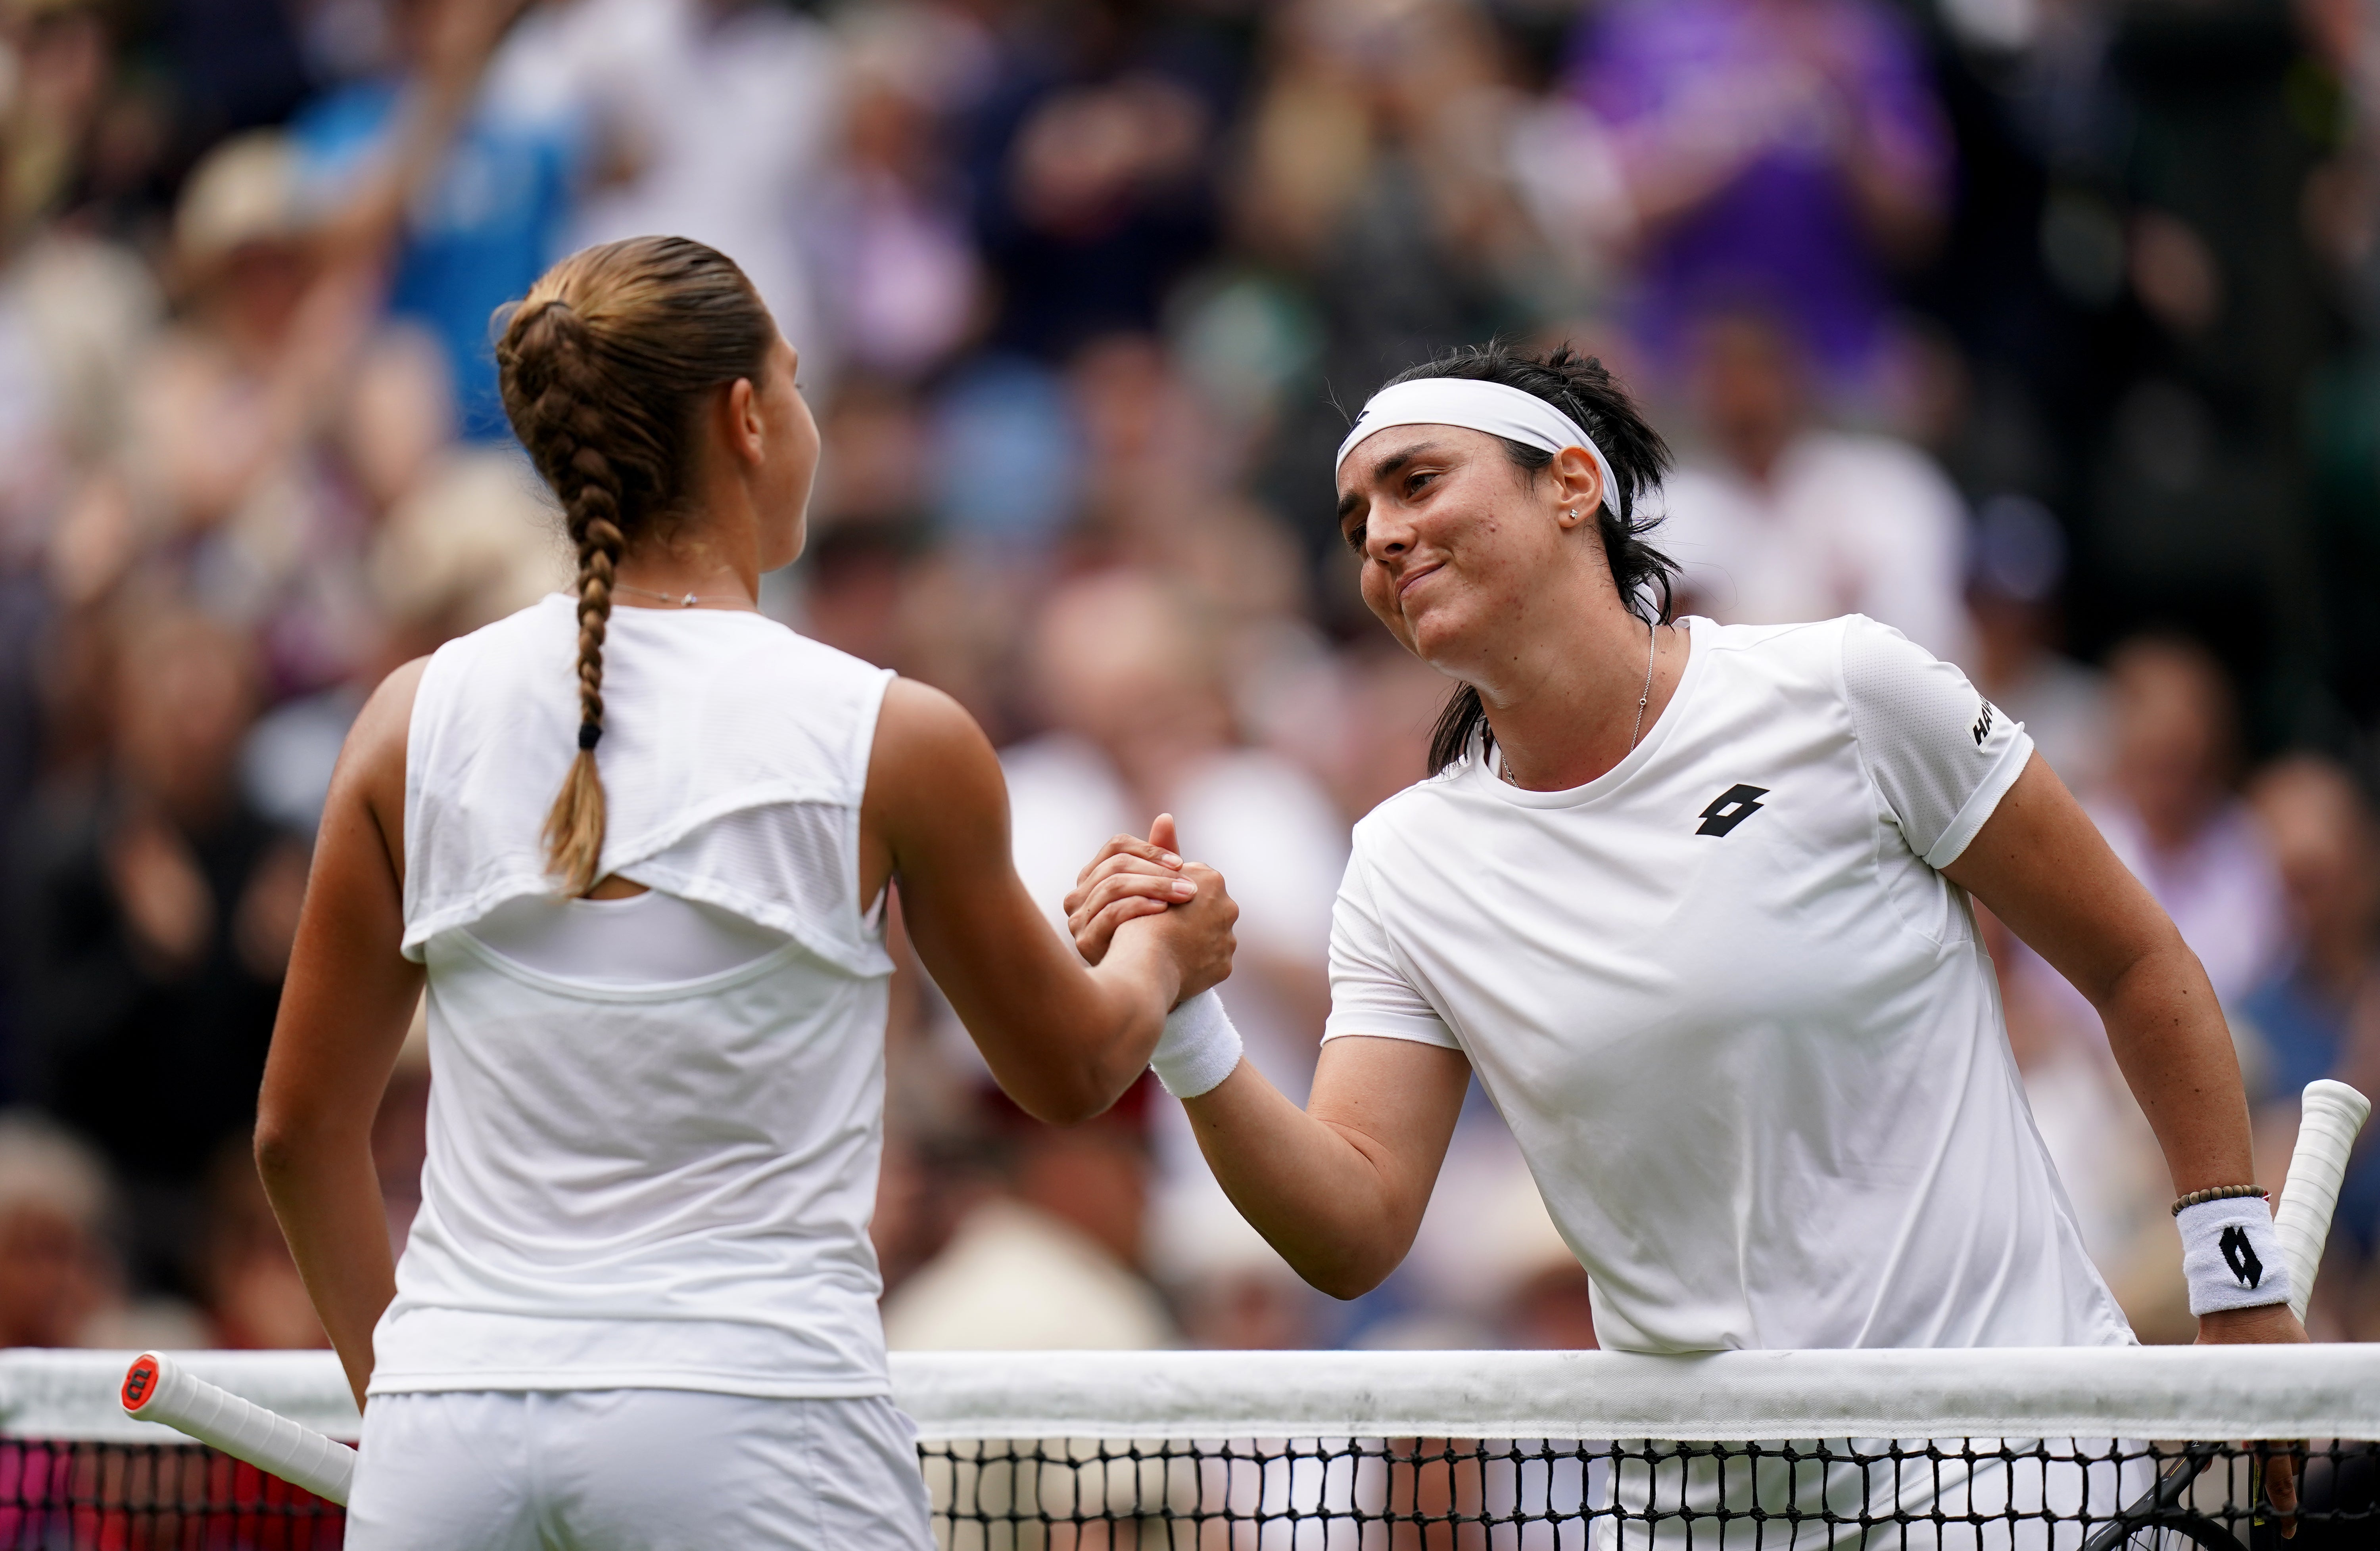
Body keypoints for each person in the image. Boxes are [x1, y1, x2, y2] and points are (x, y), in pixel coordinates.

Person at [1068, 343, 2305, 1534]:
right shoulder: (1404, 863)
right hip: (1711, 1516)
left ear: (1571, 485)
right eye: (1356, 525)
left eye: (1418, 482)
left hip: (2007, 1468)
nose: (1382, 535)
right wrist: (1190, 1026)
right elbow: (1355, 1227)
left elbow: (2138, 964)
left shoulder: (1848, 692)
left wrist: (2236, 1280)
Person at [250, 236, 1235, 1550]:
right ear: (746, 419)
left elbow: (297, 1137)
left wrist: (415, 1408)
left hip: (451, 1439)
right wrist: (1165, 960)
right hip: (752, 1434)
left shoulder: (401, 723)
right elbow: (1068, 1074)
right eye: (800, 383)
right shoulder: (894, 737)